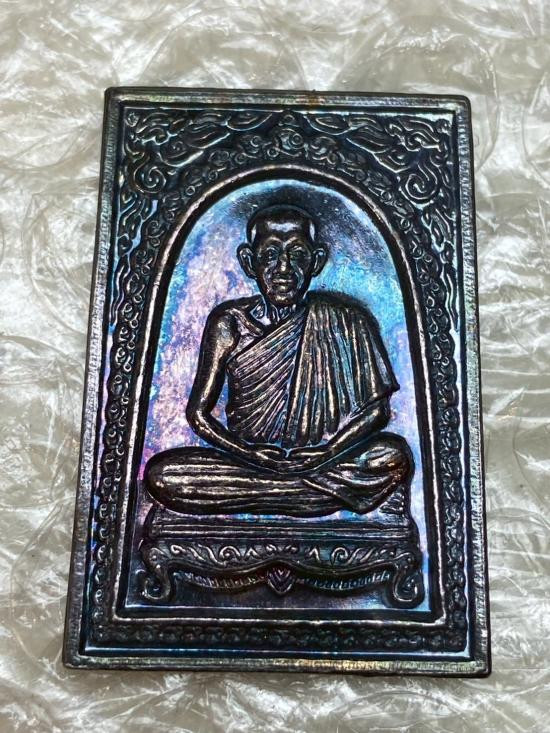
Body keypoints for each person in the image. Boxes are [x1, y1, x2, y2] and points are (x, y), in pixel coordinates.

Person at [145, 204, 413, 517]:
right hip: (248, 462)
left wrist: (327, 452)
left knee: (392, 456)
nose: (284, 269)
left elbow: (378, 412)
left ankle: (281, 492)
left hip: (325, 460)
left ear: (316, 261)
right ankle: (314, 495)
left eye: (297, 254)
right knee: (164, 475)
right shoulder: (229, 323)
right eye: (270, 254)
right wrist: (251, 455)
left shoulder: (348, 320)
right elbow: (199, 415)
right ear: (249, 262)